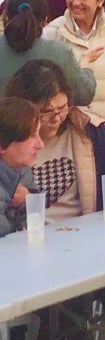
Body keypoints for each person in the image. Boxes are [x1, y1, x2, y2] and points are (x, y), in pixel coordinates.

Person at [5, 59, 105, 220]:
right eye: (45, 112)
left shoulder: (90, 131)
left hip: (83, 232)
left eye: (62, 108)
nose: (56, 118)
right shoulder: (9, 139)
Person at [0, 0, 96, 108]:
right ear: (45, 20)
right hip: (48, 125)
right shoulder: (59, 53)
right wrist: (85, 66)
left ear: (6, 16)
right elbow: (84, 95)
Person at [0, 97, 42, 238]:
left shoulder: (22, 171)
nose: (40, 145)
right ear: (2, 145)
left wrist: (28, 199)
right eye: (31, 136)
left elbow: (35, 226)